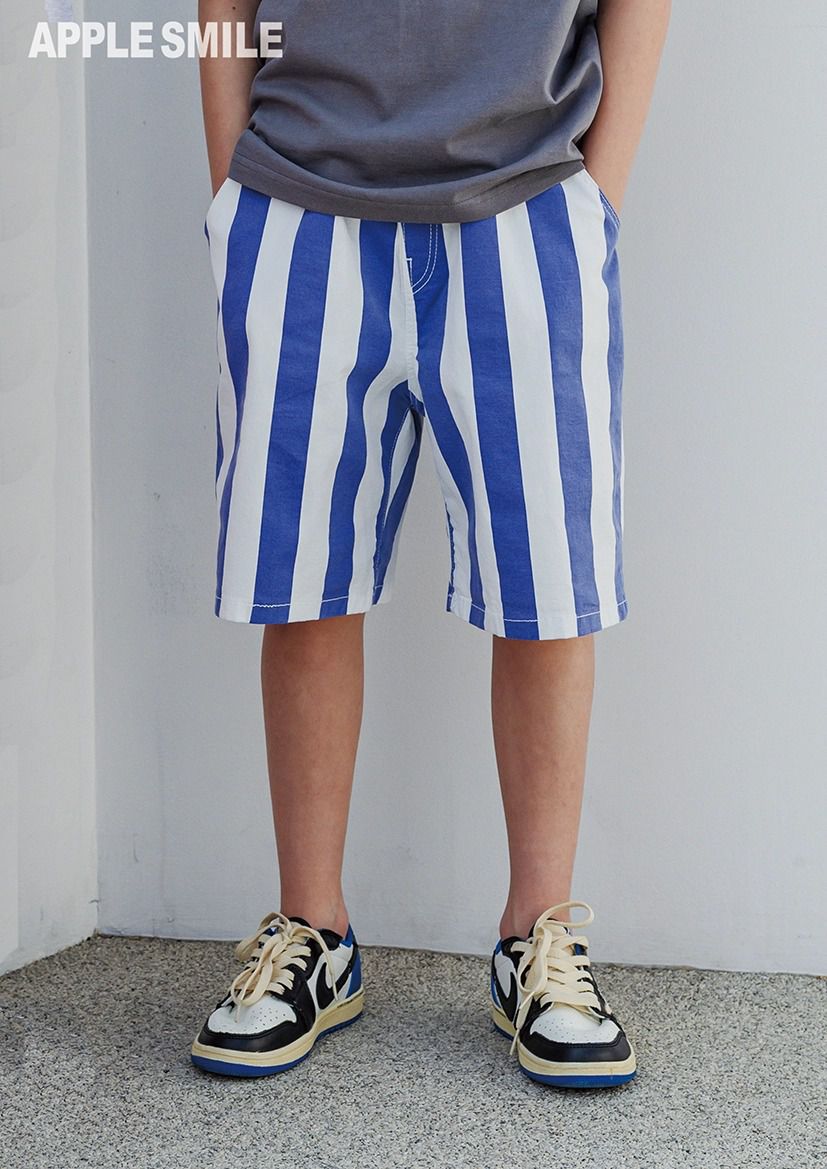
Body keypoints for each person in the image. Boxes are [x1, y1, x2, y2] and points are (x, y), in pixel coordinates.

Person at [190, 0, 670, 1087]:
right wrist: (231, 190)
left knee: (548, 591)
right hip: (296, 202)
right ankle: (313, 933)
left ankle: (537, 938)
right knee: (302, 587)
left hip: (528, 203)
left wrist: (594, 199)